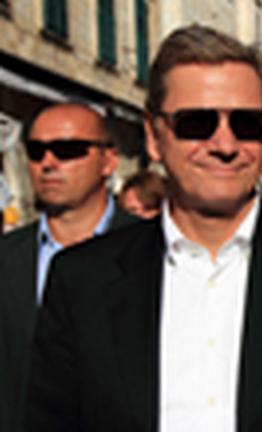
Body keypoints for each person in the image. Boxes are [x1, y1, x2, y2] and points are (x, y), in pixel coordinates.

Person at [24, 24, 262, 432]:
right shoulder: (81, 281)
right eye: (197, 123)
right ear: (154, 137)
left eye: (247, 124)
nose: (225, 145)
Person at [0, 103, 136, 431]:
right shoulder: (8, 256)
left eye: (67, 150)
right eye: (36, 151)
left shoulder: (153, 250)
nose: (48, 163)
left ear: (109, 161)